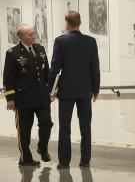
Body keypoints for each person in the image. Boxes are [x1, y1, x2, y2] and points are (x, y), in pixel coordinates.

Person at [49, 11, 100, 169]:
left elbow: (55, 68)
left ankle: (64, 162)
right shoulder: (90, 41)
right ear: (79, 23)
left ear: (67, 24)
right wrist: (95, 88)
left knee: (64, 127)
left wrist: (49, 89)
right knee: (86, 126)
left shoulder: (60, 41)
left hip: (66, 90)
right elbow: (95, 67)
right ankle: (85, 160)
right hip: (85, 90)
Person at [3, 24, 53, 166]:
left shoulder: (40, 49)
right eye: (30, 34)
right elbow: (8, 78)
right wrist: (10, 98)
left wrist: (50, 90)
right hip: (23, 98)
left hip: (42, 96)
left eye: (33, 33)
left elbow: (46, 73)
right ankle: (25, 157)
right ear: (21, 36)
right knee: (24, 129)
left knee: (46, 123)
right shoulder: (13, 53)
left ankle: (42, 148)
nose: (33, 36)